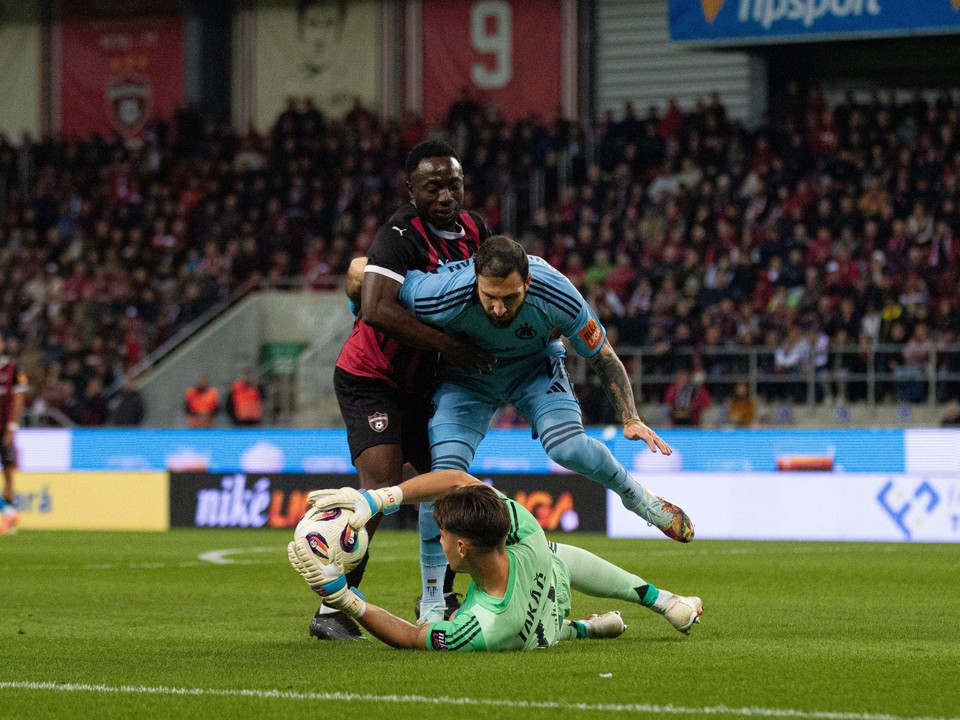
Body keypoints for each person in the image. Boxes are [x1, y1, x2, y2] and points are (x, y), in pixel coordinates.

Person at [393, 235, 693, 624]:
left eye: (510, 298)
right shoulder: (439, 294)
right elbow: (382, 290)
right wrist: (359, 273)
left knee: (568, 447)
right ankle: (433, 604)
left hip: (534, 370)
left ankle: (640, 500)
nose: (499, 309)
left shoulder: (557, 292)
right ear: (475, 281)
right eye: (490, 297)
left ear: (529, 282)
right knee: (443, 479)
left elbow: (603, 355)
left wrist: (630, 417)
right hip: (466, 378)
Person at [315, 139, 494, 641]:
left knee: (450, 483)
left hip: (422, 383)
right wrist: (452, 347)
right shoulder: (398, 234)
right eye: (433, 187)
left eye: (453, 184)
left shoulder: (476, 230)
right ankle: (333, 606)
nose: (445, 196)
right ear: (411, 189)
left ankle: (438, 595)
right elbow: (376, 309)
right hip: (371, 376)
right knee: (380, 489)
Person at [289, 471, 703, 651]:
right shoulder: (524, 531)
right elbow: (459, 480)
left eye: (441, 535)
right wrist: (378, 499)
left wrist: (345, 599)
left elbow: (413, 638)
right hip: (549, 588)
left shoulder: (480, 627)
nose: (438, 542)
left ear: (462, 547)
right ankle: (659, 600)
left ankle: (585, 629)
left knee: (536, 632)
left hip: (542, 632)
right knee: (553, 553)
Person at [0, 337, 28, 535]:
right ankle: (9, 513)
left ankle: (8, 519)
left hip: (4, 430)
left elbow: (19, 399)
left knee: (8, 473)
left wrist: (12, 428)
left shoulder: (14, 369)